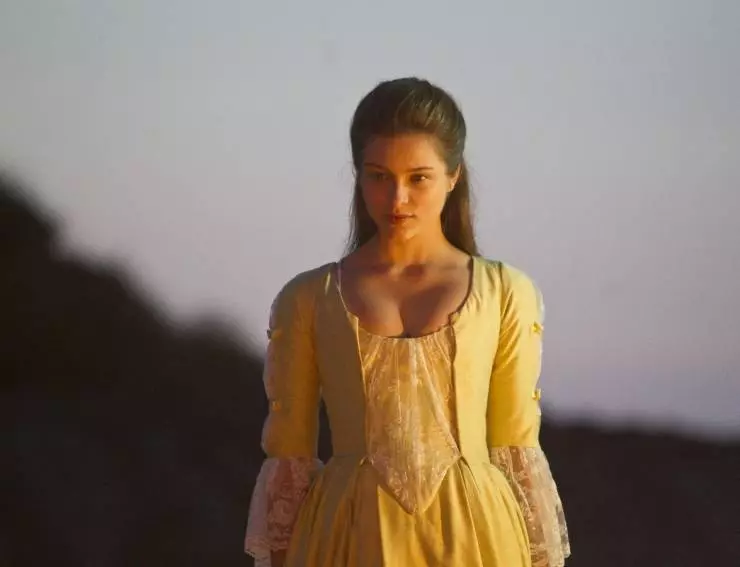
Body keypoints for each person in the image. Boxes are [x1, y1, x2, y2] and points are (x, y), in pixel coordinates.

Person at [244, 77, 571, 567]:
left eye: (419, 178)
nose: (397, 198)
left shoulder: (505, 294)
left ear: (453, 175)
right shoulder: (309, 299)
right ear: (358, 176)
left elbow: (516, 447)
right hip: (348, 538)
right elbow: (289, 454)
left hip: (479, 539)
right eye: (379, 176)